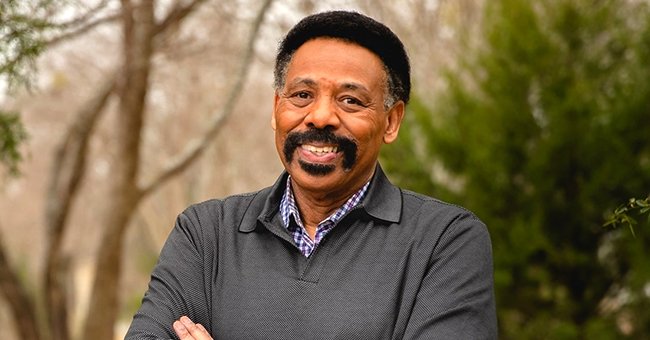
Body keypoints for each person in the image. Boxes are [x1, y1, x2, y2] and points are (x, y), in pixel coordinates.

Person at [126, 10, 497, 340]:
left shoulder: (445, 242)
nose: (320, 116)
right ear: (276, 108)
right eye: (302, 95)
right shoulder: (206, 235)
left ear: (392, 120)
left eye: (350, 100)